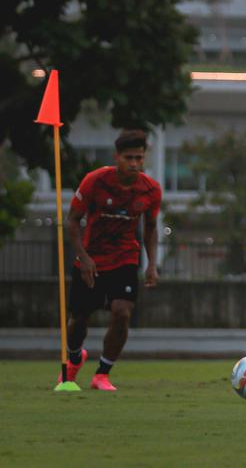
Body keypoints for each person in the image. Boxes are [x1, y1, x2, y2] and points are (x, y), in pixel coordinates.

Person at [63, 129, 162, 391]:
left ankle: (102, 374)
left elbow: (151, 227)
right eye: (129, 157)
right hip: (91, 261)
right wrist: (82, 257)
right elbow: (72, 222)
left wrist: (151, 263)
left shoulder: (150, 190)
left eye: (139, 158)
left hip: (125, 259)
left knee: (122, 312)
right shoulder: (95, 181)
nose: (134, 163)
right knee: (78, 320)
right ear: (116, 157)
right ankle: (74, 358)